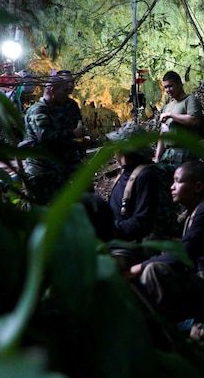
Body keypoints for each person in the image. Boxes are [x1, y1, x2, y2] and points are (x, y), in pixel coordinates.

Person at [130, 160, 204, 325]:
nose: (172, 186)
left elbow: (182, 254)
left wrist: (138, 267)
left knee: (154, 270)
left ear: (198, 187)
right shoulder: (193, 211)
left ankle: (159, 332)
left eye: (178, 181)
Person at [102, 122, 170, 269]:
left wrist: (109, 230)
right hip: (112, 241)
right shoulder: (124, 174)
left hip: (128, 246)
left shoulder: (145, 175)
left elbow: (141, 223)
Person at [21, 76, 92, 205]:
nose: (67, 94)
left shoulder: (60, 108)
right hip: (43, 170)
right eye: (64, 91)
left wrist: (78, 143)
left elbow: (62, 139)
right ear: (53, 90)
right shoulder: (38, 111)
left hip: (60, 165)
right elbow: (47, 137)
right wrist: (73, 134)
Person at [154, 71, 203, 167]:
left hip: (186, 153)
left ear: (179, 84)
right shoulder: (167, 107)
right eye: (166, 87)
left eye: (170, 86)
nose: (168, 90)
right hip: (167, 155)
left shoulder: (190, 100)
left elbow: (194, 120)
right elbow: (163, 134)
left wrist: (171, 115)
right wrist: (157, 158)